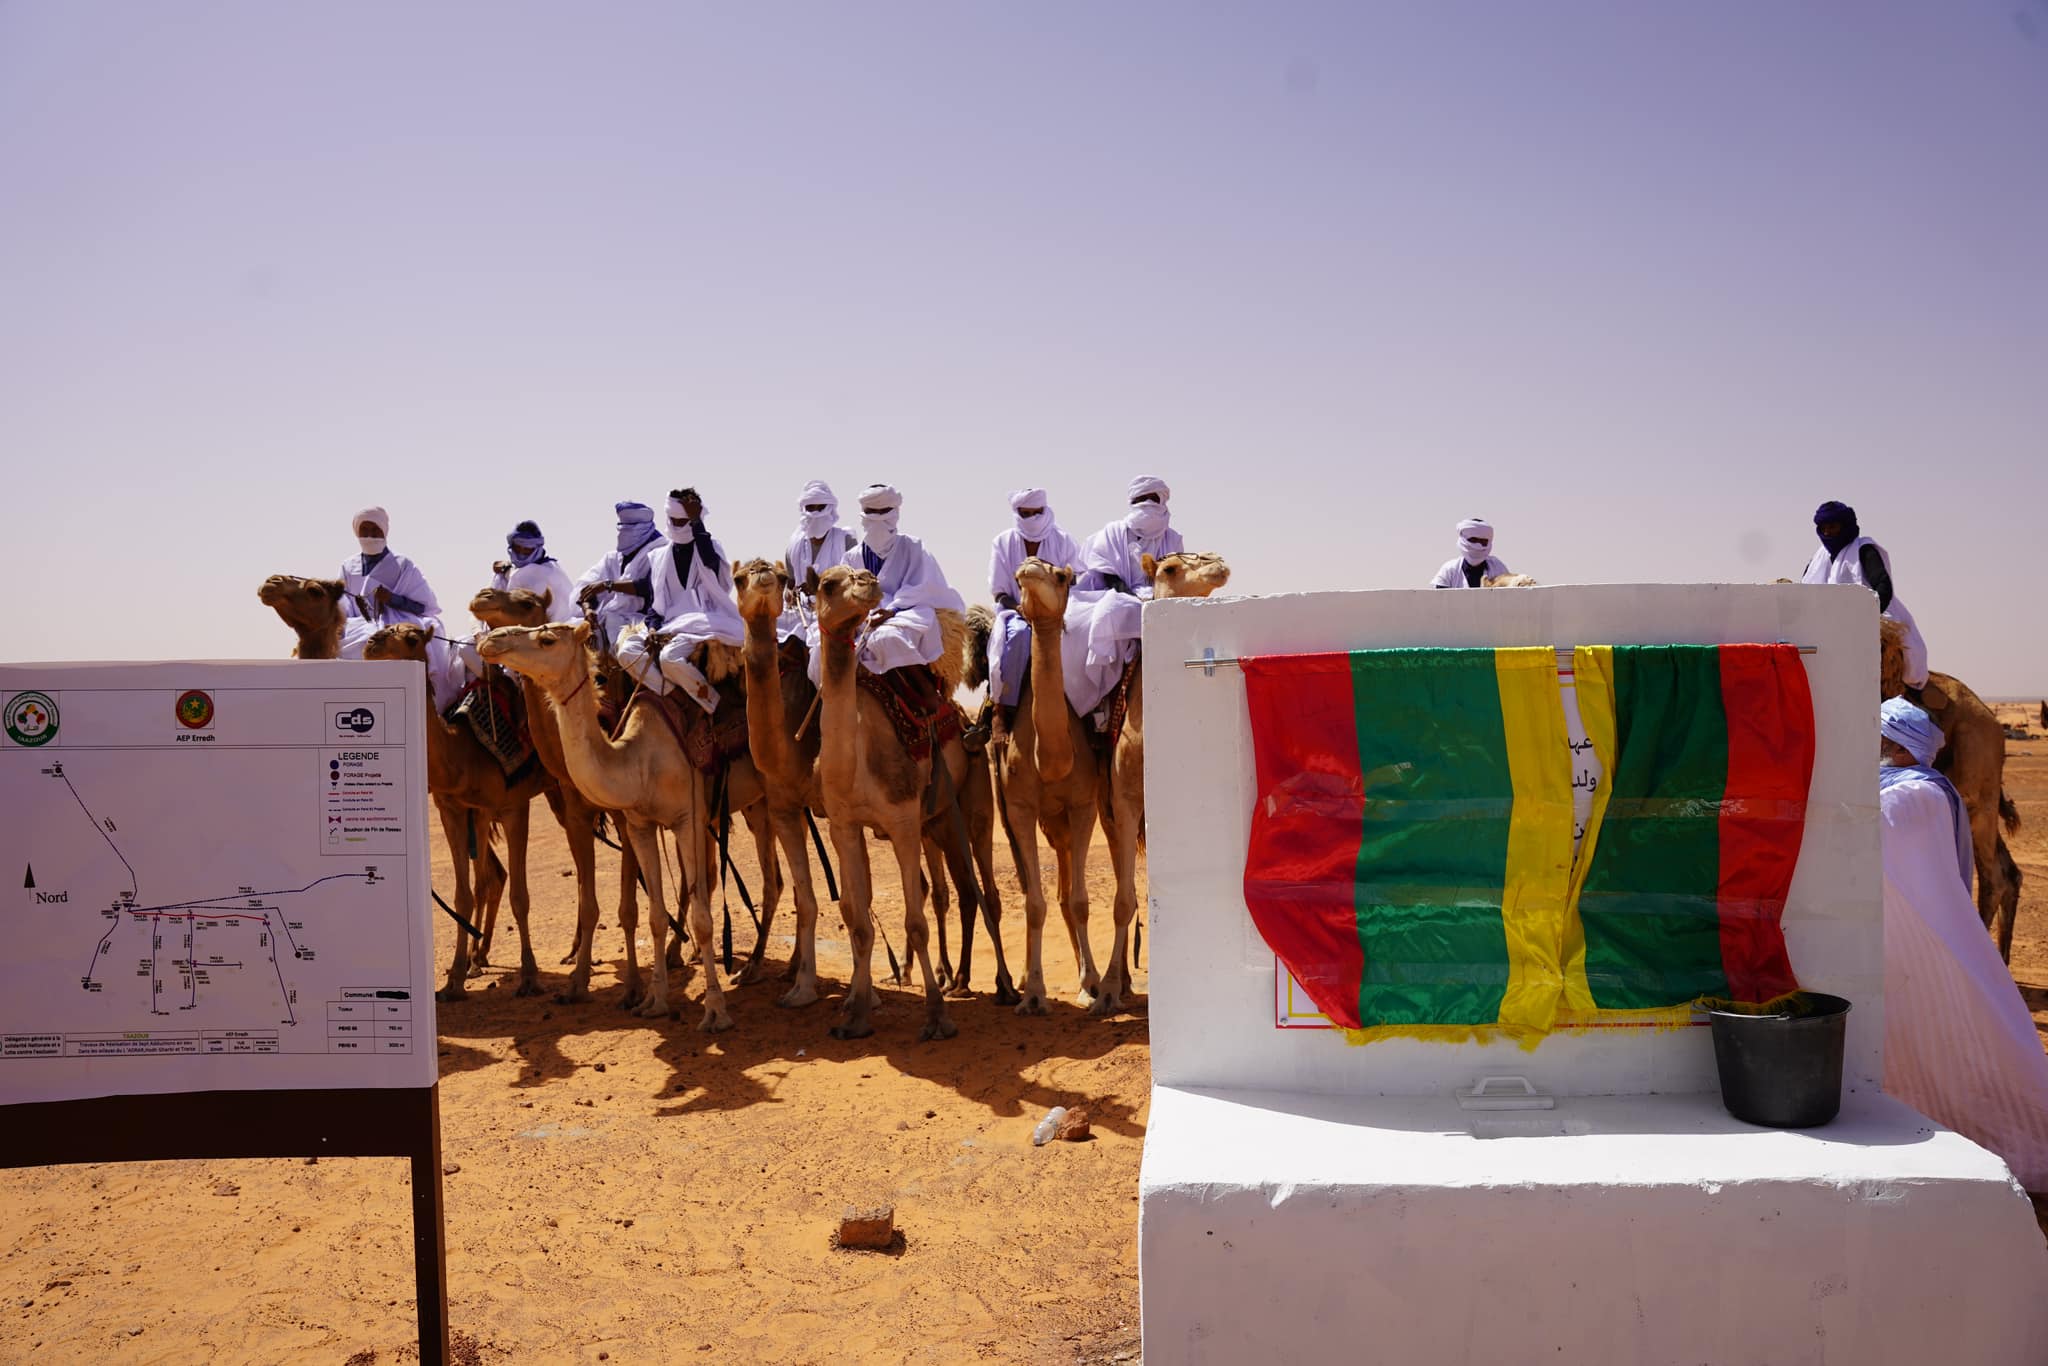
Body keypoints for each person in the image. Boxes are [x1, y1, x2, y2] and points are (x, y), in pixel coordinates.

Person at [1877, 697, 2048, 1191]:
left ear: (1898, 747)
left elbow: (1864, 832)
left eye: (1879, 739)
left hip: (1927, 943)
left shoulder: (1912, 795)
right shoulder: (1917, 790)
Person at [819, 484, 964, 700]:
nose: (877, 518)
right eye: (871, 512)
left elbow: (923, 586)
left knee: (887, 637)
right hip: (862, 617)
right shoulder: (851, 557)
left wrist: (892, 610)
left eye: (883, 512)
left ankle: (924, 695)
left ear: (895, 513)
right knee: (817, 646)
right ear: (862, 514)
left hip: (906, 612)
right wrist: (863, 615)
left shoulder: (913, 547)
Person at [613, 489, 744, 714]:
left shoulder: (710, 548)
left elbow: (711, 563)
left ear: (695, 519)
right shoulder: (659, 557)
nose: (676, 526)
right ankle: (672, 696)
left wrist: (696, 522)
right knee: (626, 652)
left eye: (683, 521)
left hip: (704, 620)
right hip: (669, 624)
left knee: (669, 658)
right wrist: (653, 629)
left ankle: (712, 702)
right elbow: (656, 603)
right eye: (672, 520)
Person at [1065, 476, 1184, 722]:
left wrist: (1154, 598)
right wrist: (1137, 599)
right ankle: (1098, 699)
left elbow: (1175, 574)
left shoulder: (1173, 538)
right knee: (1105, 615)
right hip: (1118, 594)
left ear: (1162, 501)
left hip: (1159, 599)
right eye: (1141, 500)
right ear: (1132, 502)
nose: (1147, 505)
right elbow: (1107, 574)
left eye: (1152, 499)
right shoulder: (1112, 533)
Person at [1803, 500, 1928, 693]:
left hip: (1870, 618)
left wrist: (1865, 618)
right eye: (1823, 528)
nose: (1827, 533)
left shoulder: (1864, 549)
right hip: (1827, 621)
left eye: (1833, 527)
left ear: (1846, 526)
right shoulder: (1819, 559)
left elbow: (1883, 587)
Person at [986, 487, 1082, 731]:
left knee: (1080, 637)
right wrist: (1022, 609)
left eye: (1036, 512)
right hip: (1017, 613)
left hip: (1058, 611)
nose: (1032, 519)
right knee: (1018, 636)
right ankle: (1002, 709)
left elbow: (1074, 579)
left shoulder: (1063, 540)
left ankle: (1090, 711)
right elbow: (999, 591)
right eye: (1025, 513)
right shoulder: (1003, 542)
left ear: (1045, 510)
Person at [779, 480, 854, 644]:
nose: (815, 513)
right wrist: (791, 594)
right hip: (800, 614)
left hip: (837, 612)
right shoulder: (794, 546)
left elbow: (853, 585)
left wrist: (818, 590)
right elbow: (790, 585)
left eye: (820, 507)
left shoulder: (846, 542)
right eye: (810, 508)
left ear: (830, 508)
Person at [490, 520, 579, 622]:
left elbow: (521, 577)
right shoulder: (509, 572)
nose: (521, 553)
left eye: (527, 549)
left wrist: (505, 569)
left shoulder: (547, 571)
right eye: (517, 548)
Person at [1431, 518, 1508, 588]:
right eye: (1473, 540)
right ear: (1463, 540)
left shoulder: (1498, 568)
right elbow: (1439, 598)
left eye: (1483, 542)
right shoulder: (1449, 570)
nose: (1478, 545)